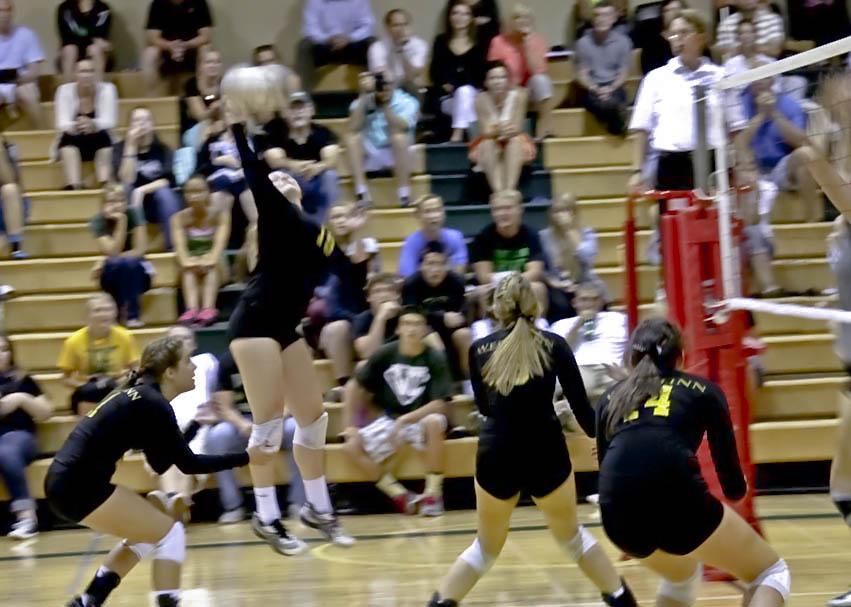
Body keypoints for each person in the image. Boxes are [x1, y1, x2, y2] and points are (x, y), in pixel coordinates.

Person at [427, 273, 637, 607]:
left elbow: (483, 407)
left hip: (497, 453)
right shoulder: (555, 344)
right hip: (545, 451)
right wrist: (609, 440)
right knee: (572, 539)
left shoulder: (479, 348)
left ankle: (438, 604)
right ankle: (623, 599)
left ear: (497, 308)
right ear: (534, 304)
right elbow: (584, 413)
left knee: (485, 548)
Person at [222, 65, 364, 551]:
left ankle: (317, 507)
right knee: (266, 423)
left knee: (314, 416)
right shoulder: (275, 214)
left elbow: (350, 274)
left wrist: (362, 258)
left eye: (287, 177)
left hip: (284, 327)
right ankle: (265, 515)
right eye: (277, 177)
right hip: (255, 324)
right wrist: (238, 124)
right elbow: (252, 166)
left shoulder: (316, 230)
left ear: (300, 191)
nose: (281, 179)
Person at [48, 336, 260, 607]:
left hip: (66, 483)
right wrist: (246, 457)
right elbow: (189, 464)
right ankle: (165, 601)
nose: (194, 367)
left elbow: (161, 462)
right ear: (170, 372)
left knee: (148, 533)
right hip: (79, 485)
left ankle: (88, 601)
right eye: (187, 361)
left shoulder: (142, 396)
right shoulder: (153, 402)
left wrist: (192, 427)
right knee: (172, 533)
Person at [595, 318, 790, 607]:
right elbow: (733, 486)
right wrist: (738, 489)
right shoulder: (702, 390)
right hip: (677, 500)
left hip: (617, 517)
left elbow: (607, 465)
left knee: (681, 577)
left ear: (631, 357)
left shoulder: (611, 397)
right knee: (770, 573)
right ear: (682, 356)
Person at [794, 73, 851, 607]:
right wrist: (831, 303)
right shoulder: (840, 226)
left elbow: (840, 190)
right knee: (840, 482)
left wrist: (811, 152)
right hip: (849, 363)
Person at [342, 306, 452, 516]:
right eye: (407, 324)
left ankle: (433, 495)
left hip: (422, 417)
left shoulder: (434, 356)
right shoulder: (386, 353)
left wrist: (406, 420)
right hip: (391, 419)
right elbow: (354, 386)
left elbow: (440, 404)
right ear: (399, 328)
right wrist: (350, 426)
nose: (412, 329)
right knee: (351, 447)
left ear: (424, 330)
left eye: (417, 324)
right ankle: (400, 495)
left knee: (434, 422)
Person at [628, 11, 744, 197]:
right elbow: (641, 128)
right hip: (672, 165)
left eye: (684, 33)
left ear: (700, 37)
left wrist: (744, 165)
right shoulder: (656, 78)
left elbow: (736, 125)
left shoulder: (720, 76)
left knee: (715, 223)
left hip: (714, 163)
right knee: (674, 224)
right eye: (673, 34)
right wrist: (637, 171)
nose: (677, 39)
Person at [208, 349, 306, 524]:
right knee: (217, 436)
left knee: (297, 429)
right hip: (244, 422)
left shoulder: (279, 356)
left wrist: (272, 421)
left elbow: (292, 398)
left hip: (276, 419)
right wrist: (242, 425)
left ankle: (298, 503)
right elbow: (224, 407)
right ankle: (233, 506)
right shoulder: (228, 361)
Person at [739, 67, 818, 222]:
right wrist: (761, 115)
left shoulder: (788, 104)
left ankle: (812, 223)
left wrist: (774, 113)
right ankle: (751, 230)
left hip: (781, 167)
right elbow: (739, 142)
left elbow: (801, 141)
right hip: (752, 166)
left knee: (805, 155)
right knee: (743, 167)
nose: (759, 81)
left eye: (764, 76)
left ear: (772, 81)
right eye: (755, 77)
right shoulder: (740, 104)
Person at [316, 202, 378, 400]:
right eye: (336, 217)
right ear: (329, 223)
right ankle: (345, 384)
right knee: (337, 328)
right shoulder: (321, 250)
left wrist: (357, 231)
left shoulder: (362, 246)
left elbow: (360, 270)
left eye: (345, 216)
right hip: (328, 319)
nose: (342, 220)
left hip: (359, 313)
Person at [157, 325, 220, 502]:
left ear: (194, 345)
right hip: (167, 427)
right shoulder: (157, 369)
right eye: (175, 339)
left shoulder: (207, 362)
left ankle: (177, 506)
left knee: (184, 457)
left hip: (199, 425)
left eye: (186, 338)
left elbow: (219, 392)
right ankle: (174, 502)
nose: (181, 342)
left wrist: (215, 413)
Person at [0, 334, 52, 540]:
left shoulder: (22, 380)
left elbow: (46, 412)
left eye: (4, 349)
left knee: (5, 451)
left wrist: (21, 399)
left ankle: (27, 517)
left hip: (19, 438)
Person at [57, 293, 140, 416]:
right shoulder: (73, 341)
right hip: (88, 391)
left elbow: (136, 370)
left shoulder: (125, 337)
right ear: (87, 315)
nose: (104, 314)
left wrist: (120, 382)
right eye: (98, 310)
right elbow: (65, 378)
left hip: (117, 385)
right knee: (87, 396)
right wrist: (85, 385)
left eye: (108, 310)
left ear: (115, 312)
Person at [346, 71, 420, 208]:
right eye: (380, 82)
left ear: (394, 84)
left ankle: (404, 194)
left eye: (387, 83)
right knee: (352, 137)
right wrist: (363, 96)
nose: (383, 86)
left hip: (397, 153)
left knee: (399, 137)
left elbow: (401, 127)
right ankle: (362, 193)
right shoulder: (364, 100)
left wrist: (385, 105)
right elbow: (352, 127)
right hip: (371, 151)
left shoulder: (408, 101)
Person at [266, 91, 340, 225]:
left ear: (311, 110)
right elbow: (274, 160)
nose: (297, 113)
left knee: (330, 176)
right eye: (292, 109)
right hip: (291, 179)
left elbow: (332, 159)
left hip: (316, 179)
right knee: (278, 177)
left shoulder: (323, 132)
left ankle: (323, 226)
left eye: (302, 108)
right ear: (285, 114)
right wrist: (294, 165)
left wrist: (318, 167)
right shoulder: (275, 134)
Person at [114, 107, 181, 250]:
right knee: (124, 189)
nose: (141, 124)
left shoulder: (163, 149)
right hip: (131, 202)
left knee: (165, 193)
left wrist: (141, 191)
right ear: (130, 126)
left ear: (152, 125)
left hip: (158, 202)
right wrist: (131, 146)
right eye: (137, 120)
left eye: (146, 120)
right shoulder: (120, 149)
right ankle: (127, 246)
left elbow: (167, 180)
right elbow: (126, 179)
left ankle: (172, 247)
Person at [403, 240, 471, 379]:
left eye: (441, 264)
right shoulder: (411, 284)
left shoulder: (456, 281)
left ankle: (470, 384)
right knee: (432, 339)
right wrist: (441, 317)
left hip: (450, 329)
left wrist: (458, 318)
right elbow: (411, 313)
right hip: (423, 328)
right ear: (421, 266)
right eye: (430, 264)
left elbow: (462, 312)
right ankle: (443, 388)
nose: (435, 269)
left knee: (464, 335)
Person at [486, 4, 554, 139]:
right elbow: (494, 73)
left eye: (526, 18)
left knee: (541, 80)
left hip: (530, 90)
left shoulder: (538, 41)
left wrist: (527, 42)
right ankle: (514, 135)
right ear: (510, 22)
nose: (522, 21)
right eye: (517, 18)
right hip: (506, 89)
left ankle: (545, 130)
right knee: (516, 93)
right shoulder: (498, 42)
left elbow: (538, 71)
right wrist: (514, 86)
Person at [471, 190, 546, 310]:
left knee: (538, 288)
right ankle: (494, 327)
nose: (502, 213)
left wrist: (512, 283)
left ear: (520, 209)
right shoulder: (483, 237)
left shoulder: (531, 235)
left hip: (522, 285)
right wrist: (509, 282)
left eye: (507, 208)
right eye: (497, 209)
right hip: (495, 286)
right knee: (482, 291)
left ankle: (536, 325)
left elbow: (535, 272)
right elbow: (483, 276)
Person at [550, 282, 626, 400]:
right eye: (584, 299)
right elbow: (559, 353)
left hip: (612, 368)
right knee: (575, 385)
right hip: (581, 368)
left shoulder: (618, 319)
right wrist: (579, 324)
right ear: (575, 302)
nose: (590, 304)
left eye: (594, 299)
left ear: (601, 302)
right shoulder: (562, 325)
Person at [171, 175, 230, 328]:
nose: (194, 196)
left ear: (208, 192)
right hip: (191, 263)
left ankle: (208, 309)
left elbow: (219, 246)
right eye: (189, 192)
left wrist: (207, 259)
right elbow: (181, 250)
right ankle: (191, 310)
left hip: (216, 263)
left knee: (211, 268)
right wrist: (190, 262)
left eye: (199, 191)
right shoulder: (178, 218)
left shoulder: (221, 215)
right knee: (187, 271)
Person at [90, 184, 151, 328]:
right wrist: (122, 224)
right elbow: (112, 252)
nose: (117, 205)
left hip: (137, 272)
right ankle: (119, 315)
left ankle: (131, 316)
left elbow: (140, 250)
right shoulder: (98, 220)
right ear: (103, 205)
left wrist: (104, 260)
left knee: (128, 263)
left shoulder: (135, 213)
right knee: (115, 264)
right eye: (111, 201)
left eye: (120, 201)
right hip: (112, 273)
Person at [470, 61, 534, 194]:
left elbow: (517, 127)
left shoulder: (520, 95)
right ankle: (498, 193)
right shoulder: (480, 99)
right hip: (490, 138)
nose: (498, 82)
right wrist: (499, 131)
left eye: (502, 77)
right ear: (486, 82)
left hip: (515, 136)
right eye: (493, 78)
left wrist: (502, 131)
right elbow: (486, 131)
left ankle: (510, 190)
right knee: (488, 144)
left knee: (514, 142)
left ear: (508, 79)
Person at [539, 193, 606, 319]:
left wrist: (569, 230)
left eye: (566, 210)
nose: (561, 215)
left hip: (584, 281)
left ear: (574, 212)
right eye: (557, 211)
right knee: (559, 302)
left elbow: (588, 259)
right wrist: (553, 283)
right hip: (556, 284)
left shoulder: (587, 233)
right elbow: (541, 268)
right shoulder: (543, 236)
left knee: (599, 292)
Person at [195, 116, 258, 248]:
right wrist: (219, 162)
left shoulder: (253, 140)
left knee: (251, 196)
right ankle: (213, 247)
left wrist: (240, 165)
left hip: (246, 181)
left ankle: (256, 243)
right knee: (220, 196)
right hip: (219, 182)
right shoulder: (212, 140)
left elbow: (260, 165)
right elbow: (201, 168)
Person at [55, 58, 117, 190]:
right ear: (74, 74)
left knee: (105, 141)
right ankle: (74, 187)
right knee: (68, 144)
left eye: (91, 71)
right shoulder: (63, 91)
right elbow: (62, 123)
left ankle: (105, 185)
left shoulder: (108, 89)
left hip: (100, 139)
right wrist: (80, 125)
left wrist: (93, 124)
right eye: (82, 71)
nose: (87, 75)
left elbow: (109, 120)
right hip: (73, 138)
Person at [430, 0, 487, 142]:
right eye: (456, 13)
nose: (460, 17)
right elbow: (434, 72)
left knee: (465, 91)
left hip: (474, 95)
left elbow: (480, 76)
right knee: (464, 96)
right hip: (448, 98)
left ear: (471, 18)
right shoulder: (441, 41)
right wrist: (445, 84)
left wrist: (460, 83)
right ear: (450, 17)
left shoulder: (479, 43)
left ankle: (457, 136)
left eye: (465, 14)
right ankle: (478, 143)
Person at [574, 0, 632, 137]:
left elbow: (623, 74)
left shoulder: (624, 42)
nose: (601, 19)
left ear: (613, 18)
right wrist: (595, 88)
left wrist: (611, 88)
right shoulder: (582, 43)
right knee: (600, 102)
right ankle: (618, 126)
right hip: (592, 88)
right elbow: (582, 75)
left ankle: (615, 124)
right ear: (593, 19)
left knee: (613, 100)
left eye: (606, 15)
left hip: (615, 86)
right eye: (597, 15)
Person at [297, 0, 376, 91]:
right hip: (325, 47)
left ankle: (377, 93)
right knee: (304, 45)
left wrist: (349, 38)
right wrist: (327, 39)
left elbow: (368, 26)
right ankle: (301, 98)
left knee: (372, 42)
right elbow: (309, 28)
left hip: (352, 45)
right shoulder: (314, 1)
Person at [142, 0, 214, 95]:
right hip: (166, 52)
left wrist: (185, 45)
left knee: (206, 49)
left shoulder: (199, 3)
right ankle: (153, 98)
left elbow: (206, 36)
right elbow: (152, 38)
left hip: (192, 49)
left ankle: (204, 94)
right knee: (150, 52)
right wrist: (170, 46)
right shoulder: (157, 4)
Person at [0, 0, 46, 129]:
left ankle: (43, 137)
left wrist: (15, 79)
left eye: (8, 10)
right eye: (1, 10)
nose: (4, 14)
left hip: (21, 82)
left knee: (28, 93)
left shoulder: (26, 35)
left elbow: (34, 71)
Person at [398, 194, 468, 278]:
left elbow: (459, 272)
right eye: (428, 211)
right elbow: (407, 276)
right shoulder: (411, 242)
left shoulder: (455, 237)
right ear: (417, 215)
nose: (433, 216)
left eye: (437, 210)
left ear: (444, 214)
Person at [368, 9, 428, 94]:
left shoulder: (419, 45)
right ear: (387, 28)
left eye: (405, 24)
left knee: (418, 85)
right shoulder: (377, 47)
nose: (401, 29)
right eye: (396, 25)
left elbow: (411, 77)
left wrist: (401, 50)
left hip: (410, 90)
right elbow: (382, 78)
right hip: (386, 91)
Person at [56, 0, 112, 81]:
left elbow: (101, 32)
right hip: (72, 49)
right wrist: (90, 38)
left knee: (95, 49)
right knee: (70, 49)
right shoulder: (65, 8)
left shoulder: (103, 8)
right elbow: (66, 35)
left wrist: (87, 38)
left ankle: (98, 89)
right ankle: (68, 90)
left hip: (95, 50)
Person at [353, 273, 403, 361]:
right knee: (362, 366)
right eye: (377, 291)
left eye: (389, 290)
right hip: (378, 363)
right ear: (368, 297)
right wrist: (381, 318)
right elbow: (367, 353)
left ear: (397, 294)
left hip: (404, 361)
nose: (384, 295)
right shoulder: (362, 319)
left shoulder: (407, 315)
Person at [713, 0, 784, 61]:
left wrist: (741, 49)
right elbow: (721, 58)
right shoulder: (725, 24)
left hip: (768, 70)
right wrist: (761, 47)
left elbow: (775, 51)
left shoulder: (772, 19)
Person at [631, 0, 685, 75]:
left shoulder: (690, 36)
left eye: (677, 9)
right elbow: (650, 70)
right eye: (669, 10)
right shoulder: (652, 38)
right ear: (663, 13)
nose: (674, 13)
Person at [180, 46, 222, 135]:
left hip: (219, 125)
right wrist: (214, 109)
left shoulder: (225, 82)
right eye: (208, 62)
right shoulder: (192, 84)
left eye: (217, 62)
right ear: (200, 66)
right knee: (206, 125)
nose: (213, 65)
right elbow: (199, 116)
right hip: (196, 128)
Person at [0, 135, 26, 259]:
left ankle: (16, 245)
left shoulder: (7, 146)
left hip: (6, 207)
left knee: (10, 189)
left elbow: (12, 181)